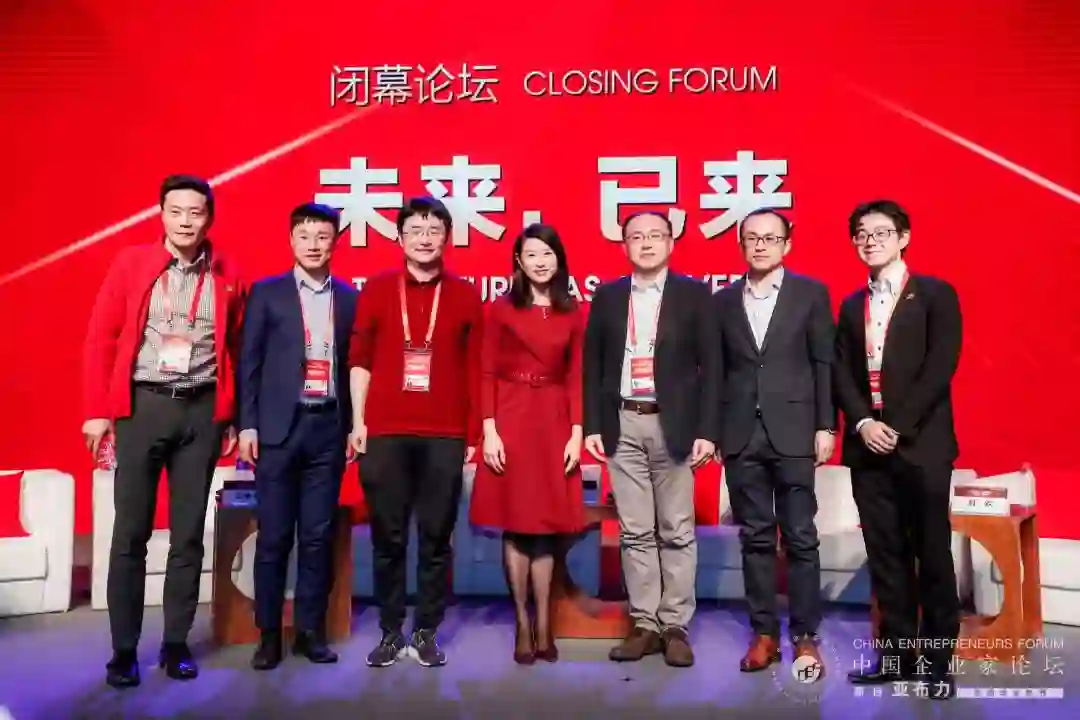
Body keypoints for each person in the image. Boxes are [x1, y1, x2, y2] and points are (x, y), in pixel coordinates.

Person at [81, 174, 246, 687]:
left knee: (188, 535)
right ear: (161, 214)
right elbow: (101, 337)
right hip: (143, 407)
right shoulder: (132, 264)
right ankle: (123, 651)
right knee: (130, 533)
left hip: (201, 411)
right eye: (176, 211)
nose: (185, 222)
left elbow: (236, 349)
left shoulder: (226, 273)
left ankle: (176, 643)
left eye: (195, 212)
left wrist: (233, 415)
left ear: (209, 217)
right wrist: (97, 410)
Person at [834, 200, 962, 700]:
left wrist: (897, 426)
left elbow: (940, 366)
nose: (870, 241)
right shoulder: (851, 306)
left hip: (922, 446)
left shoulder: (934, 294)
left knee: (932, 553)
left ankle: (938, 662)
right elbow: (841, 372)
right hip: (868, 447)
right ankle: (897, 657)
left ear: (904, 237)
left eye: (881, 232)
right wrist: (864, 423)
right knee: (885, 556)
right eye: (861, 234)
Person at [348, 196, 483, 668]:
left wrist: (473, 434)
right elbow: (360, 360)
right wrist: (359, 421)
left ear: (447, 238)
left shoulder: (465, 294)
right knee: (388, 538)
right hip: (385, 431)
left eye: (434, 231)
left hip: (444, 433)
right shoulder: (377, 289)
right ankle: (390, 631)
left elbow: (475, 368)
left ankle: (426, 630)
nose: (425, 239)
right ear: (399, 237)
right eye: (415, 231)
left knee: (436, 538)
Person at [582, 210, 718, 668]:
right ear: (624, 245)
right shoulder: (608, 296)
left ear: (671, 243)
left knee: (676, 529)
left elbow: (712, 368)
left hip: (673, 425)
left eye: (655, 235)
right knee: (635, 530)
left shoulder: (694, 295)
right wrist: (593, 424)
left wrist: (707, 431)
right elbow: (593, 365)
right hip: (623, 422)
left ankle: (675, 625)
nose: (646, 243)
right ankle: (644, 623)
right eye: (636, 236)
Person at [711, 209, 835, 674]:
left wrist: (826, 426)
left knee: (801, 537)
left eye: (770, 238)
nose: (760, 245)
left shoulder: (810, 294)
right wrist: (714, 432)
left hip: (796, 431)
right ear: (741, 244)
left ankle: (804, 636)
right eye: (752, 238)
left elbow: (824, 364)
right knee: (755, 538)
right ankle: (763, 633)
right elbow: (716, 372)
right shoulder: (723, 301)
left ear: (788, 244)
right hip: (741, 434)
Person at [237, 203, 359, 670]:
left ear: (335, 242)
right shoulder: (267, 294)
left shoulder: (347, 298)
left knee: (317, 536)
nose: (313, 245)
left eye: (322, 237)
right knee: (273, 537)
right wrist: (248, 424)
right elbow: (249, 363)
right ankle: (269, 634)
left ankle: (310, 631)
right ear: (291, 240)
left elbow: (352, 367)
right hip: (276, 430)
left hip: (327, 427)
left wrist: (353, 426)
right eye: (305, 236)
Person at [469, 224, 587, 665]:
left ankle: (545, 623)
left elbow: (575, 376)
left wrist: (576, 431)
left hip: (553, 420)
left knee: (546, 526)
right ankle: (522, 621)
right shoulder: (501, 309)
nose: (540, 262)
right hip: (511, 416)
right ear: (518, 261)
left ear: (559, 260)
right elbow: (485, 371)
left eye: (547, 254)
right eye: (532, 254)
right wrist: (489, 430)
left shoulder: (572, 311)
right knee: (517, 523)